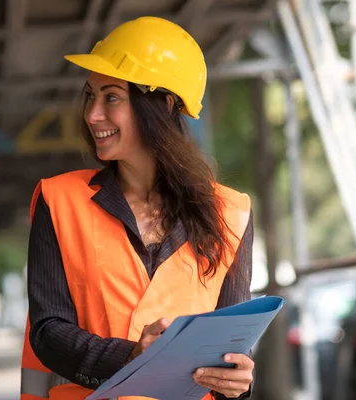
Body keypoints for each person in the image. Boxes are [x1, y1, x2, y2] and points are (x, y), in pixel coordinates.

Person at [20, 16, 255, 400]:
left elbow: (231, 347)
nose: (92, 114)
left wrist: (240, 381)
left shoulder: (231, 213)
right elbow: (48, 331)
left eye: (111, 97)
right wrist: (130, 356)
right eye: (90, 96)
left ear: (161, 106)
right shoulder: (58, 200)